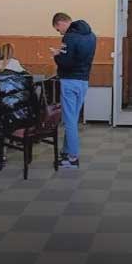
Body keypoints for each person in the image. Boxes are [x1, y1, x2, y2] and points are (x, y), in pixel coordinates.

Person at [51, 12, 96, 168]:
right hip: (83, 81)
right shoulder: (91, 36)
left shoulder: (69, 37)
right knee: (73, 118)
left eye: (58, 29)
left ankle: (72, 158)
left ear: (61, 23)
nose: (60, 32)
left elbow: (65, 63)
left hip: (69, 81)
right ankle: (66, 151)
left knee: (69, 121)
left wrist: (56, 55)